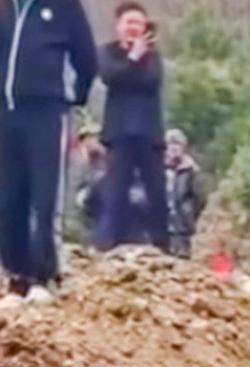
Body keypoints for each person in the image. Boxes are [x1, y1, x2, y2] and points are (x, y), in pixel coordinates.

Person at [0, 0, 96, 307]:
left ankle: (44, 276)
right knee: (8, 197)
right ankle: (17, 277)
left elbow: (86, 57)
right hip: (5, 110)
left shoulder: (64, 6)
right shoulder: (0, 5)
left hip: (47, 111)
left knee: (45, 194)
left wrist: (71, 97)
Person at [100, 2, 168, 251]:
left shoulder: (154, 56)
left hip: (149, 133)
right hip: (119, 132)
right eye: (129, 22)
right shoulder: (107, 53)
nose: (133, 28)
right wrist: (132, 57)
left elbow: (151, 80)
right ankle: (108, 246)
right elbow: (110, 76)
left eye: (138, 23)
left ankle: (162, 246)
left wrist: (137, 59)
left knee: (157, 193)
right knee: (115, 193)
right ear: (118, 26)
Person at [165, 129, 205, 259]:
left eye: (178, 144)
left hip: (183, 229)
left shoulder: (192, 171)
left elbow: (200, 199)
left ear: (184, 148)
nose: (174, 148)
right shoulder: (157, 170)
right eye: (170, 144)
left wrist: (191, 217)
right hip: (162, 229)